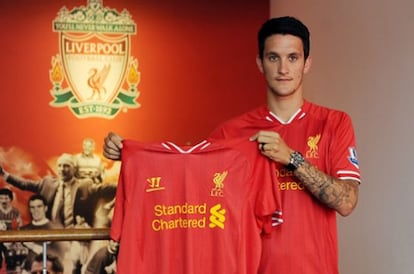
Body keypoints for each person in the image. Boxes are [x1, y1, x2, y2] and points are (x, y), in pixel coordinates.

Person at [102, 16, 360, 274]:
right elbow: (188, 177)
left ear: (307, 64)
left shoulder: (333, 123)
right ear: (260, 63)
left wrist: (292, 158)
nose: (283, 68)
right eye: (273, 58)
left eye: (293, 58)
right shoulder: (231, 132)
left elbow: (347, 201)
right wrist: (128, 153)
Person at [0, 153, 116, 228]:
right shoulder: (48, 183)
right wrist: (5, 175)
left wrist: (128, 184)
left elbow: (105, 189)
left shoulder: (85, 185)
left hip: (76, 238)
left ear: (74, 168)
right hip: (53, 237)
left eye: (66, 166)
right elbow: (25, 184)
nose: (62, 169)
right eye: (59, 166)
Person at [21, 194, 68, 273]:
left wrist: (33, 246)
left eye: (39, 206)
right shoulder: (23, 230)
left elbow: (57, 256)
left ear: (45, 208)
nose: (36, 210)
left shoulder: (56, 229)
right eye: (32, 207)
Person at [0, 188, 25, 272]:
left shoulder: (15, 212)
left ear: (10, 199)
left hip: (12, 240)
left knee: (16, 253)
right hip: (1, 240)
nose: (3, 201)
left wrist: (17, 241)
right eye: (1, 198)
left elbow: (20, 227)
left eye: (6, 198)